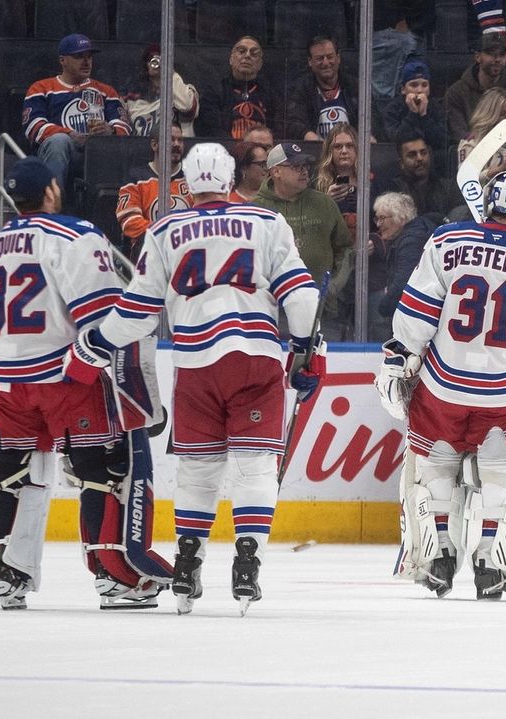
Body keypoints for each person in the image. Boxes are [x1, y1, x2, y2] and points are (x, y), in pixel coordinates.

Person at [65, 143, 323, 615]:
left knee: (198, 472)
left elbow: (137, 315)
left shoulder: (164, 229)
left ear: (186, 184)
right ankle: (247, 562)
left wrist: (93, 346)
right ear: (229, 180)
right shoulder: (267, 222)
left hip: (196, 363)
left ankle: (187, 563)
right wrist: (304, 353)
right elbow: (302, 298)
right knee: (255, 467)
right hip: (255, 360)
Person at [0, 157, 171, 611]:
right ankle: (115, 578)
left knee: (11, 473)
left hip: (3, 381)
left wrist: (10, 358)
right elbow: (100, 319)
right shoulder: (75, 235)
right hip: (64, 377)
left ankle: (3, 573)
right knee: (102, 472)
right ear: (53, 191)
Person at [377, 169, 506, 600]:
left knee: (435, 470)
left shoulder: (446, 239)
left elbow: (413, 318)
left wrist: (404, 358)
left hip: (445, 385)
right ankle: (492, 561)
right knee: (503, 474)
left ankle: (439, 555)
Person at [254, 141, 352, 339]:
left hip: (322, 313)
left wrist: (334, 285)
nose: (304, 172)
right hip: (272, 314)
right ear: (276, 171)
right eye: (296, 167)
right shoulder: (255, 210)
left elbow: (346, 248)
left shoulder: (324, 204)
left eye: (305, 166)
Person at [23, 34, 131, 192]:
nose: (86, 62)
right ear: (63, 60)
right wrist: (69, 134)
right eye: (79, 56)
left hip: (97, 151)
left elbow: (125, 126)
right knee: (59, 142)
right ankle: (52, 208)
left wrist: (111, 130)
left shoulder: (106, 91)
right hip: (61, 152)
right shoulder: (41, 88)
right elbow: (33, 126)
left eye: (89, 57)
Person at [284, 35, 382, 142]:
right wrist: (309, 137)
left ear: (338, 58)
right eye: (319, 58)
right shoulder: (300, 88)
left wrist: (368, 137)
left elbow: (373, 119)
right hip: (315, 153)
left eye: (330, 57)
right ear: (310, 62)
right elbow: (293, 122)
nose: (326, 63)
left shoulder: (356, 87)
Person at [116, 121, 193, 253]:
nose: (176, 144)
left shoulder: (193, 178)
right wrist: (169, 234)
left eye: (180, 140)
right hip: (149, 252)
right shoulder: (136, 178)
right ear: (154, 145)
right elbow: (130, 222)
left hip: (186, 251)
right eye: (171, 139)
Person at [445, 32, 506, 141]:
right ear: (478, 57)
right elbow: (458, 133)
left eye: (502, 54)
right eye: (492, 53)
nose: (497, 59)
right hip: (473, 152)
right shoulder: (457, 93)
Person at [377, 191, 443, 324]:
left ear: (400, 217)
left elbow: (404, 282)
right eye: (377, 218)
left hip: (415, 319)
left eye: (382, 218)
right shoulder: (414, 233)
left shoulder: (412, 241)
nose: (378, 224)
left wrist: (384, 307)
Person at [194, 36, 277, 140]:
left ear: (260, 64)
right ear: (231, 60)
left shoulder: (271, 95)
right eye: (241, 51)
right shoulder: (215, 92)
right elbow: (209, 128)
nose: (247, 56)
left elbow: (279, 129)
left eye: (254, 53)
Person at [380, 59, 449, 172]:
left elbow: (442, 141)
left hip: (432, 166)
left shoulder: (437, 108)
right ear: (403, 89)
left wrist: (424, 115)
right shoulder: (392, 109)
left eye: (424, 85)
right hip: (400, 165)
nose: (419, 90)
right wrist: (412, 113)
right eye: (414, 85)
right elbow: (395, 139)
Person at [374, 133, 463, 218]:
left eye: (423, 153)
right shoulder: (393, 191)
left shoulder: (448, 188)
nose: (420, 158)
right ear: (401, 163)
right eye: (412, 155)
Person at [122, 43, 199, 137]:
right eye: (151, 58)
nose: (157, 61)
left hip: (177, 148)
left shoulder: (186, 92)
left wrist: (170, 72)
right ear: (146, 66)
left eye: (162, 57)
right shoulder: (133, 103)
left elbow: (187, 106)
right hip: (144, 150)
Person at [456, 87, 506, 187]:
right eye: (503, 114)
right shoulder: (471, 144)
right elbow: (466, 182)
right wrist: (498, 170)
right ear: (490, 116)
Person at [313, 123, 363, 239]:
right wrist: (327, 201)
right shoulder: (316, 183)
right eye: (338, 146)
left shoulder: (371, 181)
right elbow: (309, 224)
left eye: (350, 146)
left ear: (357, 149)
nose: (344, 151)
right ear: (329, 151)